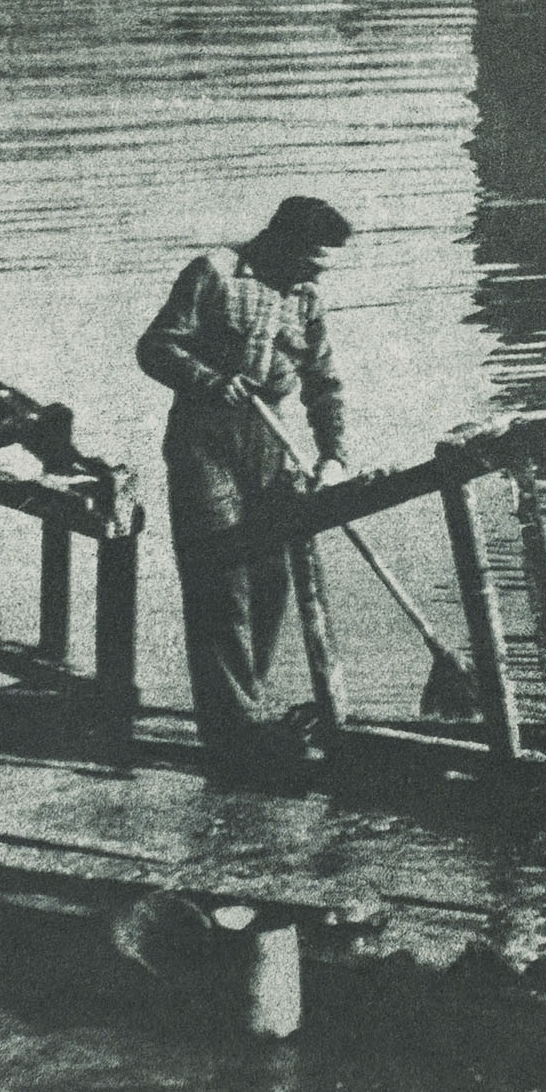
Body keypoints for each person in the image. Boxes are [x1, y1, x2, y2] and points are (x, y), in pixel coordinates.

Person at [135, 195, 354, 762]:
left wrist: (334, 456)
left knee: (273, 577)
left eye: (321, 268)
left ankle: (248, 705)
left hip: (270, 445)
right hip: (205, 441)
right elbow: (156, 347)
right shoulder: (213, 272)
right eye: (309, 263)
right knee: (219, 583)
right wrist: (208, 380)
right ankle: (233, 728)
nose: (313, 276)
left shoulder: (306, 298)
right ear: (280, 242)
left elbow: (324, 383)